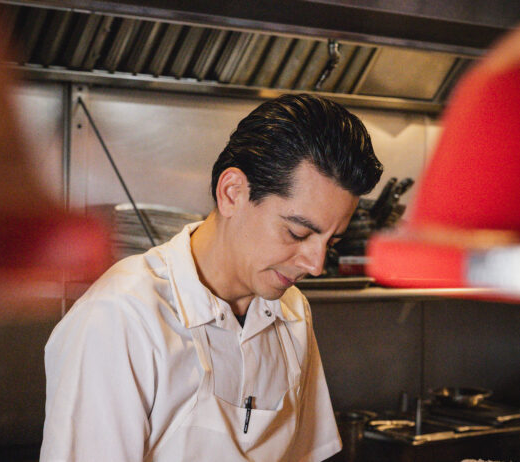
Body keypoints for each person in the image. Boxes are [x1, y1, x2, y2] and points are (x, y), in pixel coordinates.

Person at [40, 94, 383, 461]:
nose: (315, 264)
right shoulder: (120, 317)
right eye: (297, 234)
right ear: (232, 193)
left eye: (331, 242)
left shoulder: (291, 310)